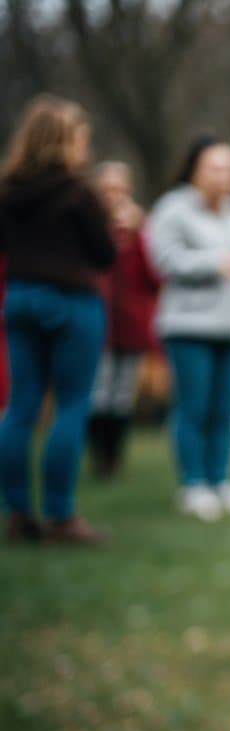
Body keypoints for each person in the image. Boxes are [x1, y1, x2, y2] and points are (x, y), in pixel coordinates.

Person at [0, 95, 116, 544]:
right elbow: (103, 254)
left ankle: (17, 512)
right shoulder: (77, 192)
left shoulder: (7, 192)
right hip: (72, 304)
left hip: (21, 299)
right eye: (81, 137)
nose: (86, 146)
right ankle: (61, 515)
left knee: (20, 409)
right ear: (65, 141)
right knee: (70, 407)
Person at [147, 136, 230, 522]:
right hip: (190, 326)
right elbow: (164, 260)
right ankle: (194, 483)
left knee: (225, 410)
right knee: (193, 407)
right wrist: (214, 262)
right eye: (215, 168)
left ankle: (221, 481)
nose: (224, 176)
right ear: (195, 170)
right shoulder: (173, 209)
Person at [88, 161, 161, 479]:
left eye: (118, 190)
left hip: (130, 325)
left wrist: (140, 235)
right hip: (96, 322)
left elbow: (155, 278)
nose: (113, 196)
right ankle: (99, 457)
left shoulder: (142, 231)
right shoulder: (87, 225)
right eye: (107, 190)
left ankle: (115, 457)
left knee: (121, 393)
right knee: (99, 390)